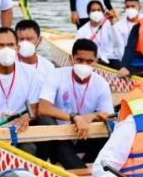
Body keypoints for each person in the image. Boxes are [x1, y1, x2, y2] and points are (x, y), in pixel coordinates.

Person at [37, 39, 113, 170]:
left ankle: (90, 171)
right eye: (79, 60)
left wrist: (92, 116)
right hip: (60, 136)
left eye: (89, 62)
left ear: (96, 62)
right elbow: (43, 108)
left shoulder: (101, 83)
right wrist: (74, 118)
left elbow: (109, 115)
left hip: (85, 135)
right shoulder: (56, 75)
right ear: (71, 59)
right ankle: (84, 176)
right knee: (52, 133)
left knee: (108, 135)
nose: (84, 65)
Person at [75, 0, 123, 69]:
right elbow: (79, 50)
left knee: (123, 69)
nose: (96, 12)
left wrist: (112, 22)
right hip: (93, 60)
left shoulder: (108, 24)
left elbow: (118, 42)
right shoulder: (82, 31)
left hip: (111, 57)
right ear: (88, 13)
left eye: (99, 10)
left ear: (103, 12)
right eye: (93, 10)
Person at [14, 19, 56, 85]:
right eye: (21, 39)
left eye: (29, 39)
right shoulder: (9, 63)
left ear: (40, 40)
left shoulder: (48, 67)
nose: (25, 42)